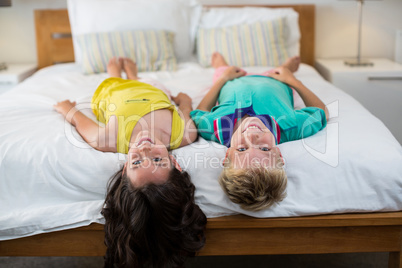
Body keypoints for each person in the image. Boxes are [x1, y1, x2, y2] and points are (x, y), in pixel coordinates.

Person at [54, 57, 206, 267]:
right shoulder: (185, 134)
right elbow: (185, 110)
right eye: (157, 160)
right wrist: (185, 101)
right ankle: (134, 75)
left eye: (136, 163)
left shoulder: (106, 138)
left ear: (125, 168)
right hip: (153, 92)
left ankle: (115, 74)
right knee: (155, 85)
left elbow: (79, 120)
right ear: (174, 163)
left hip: (114, 92)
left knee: (113, 86)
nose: (144, 149)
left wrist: (66, 108)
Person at [190, 52, 329, 211]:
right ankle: (287, 68)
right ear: (279, 154)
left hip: (231, 79)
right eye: (264, 149)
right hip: (275, 79)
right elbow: (321, 111)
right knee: (282, 70)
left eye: (242, 149)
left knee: (221, 68)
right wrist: (292, 80)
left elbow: (200, 112)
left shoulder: (215, 128)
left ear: (227, 154)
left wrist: (223, 79)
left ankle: (221, 66)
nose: (252, 136)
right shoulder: (290, 127)